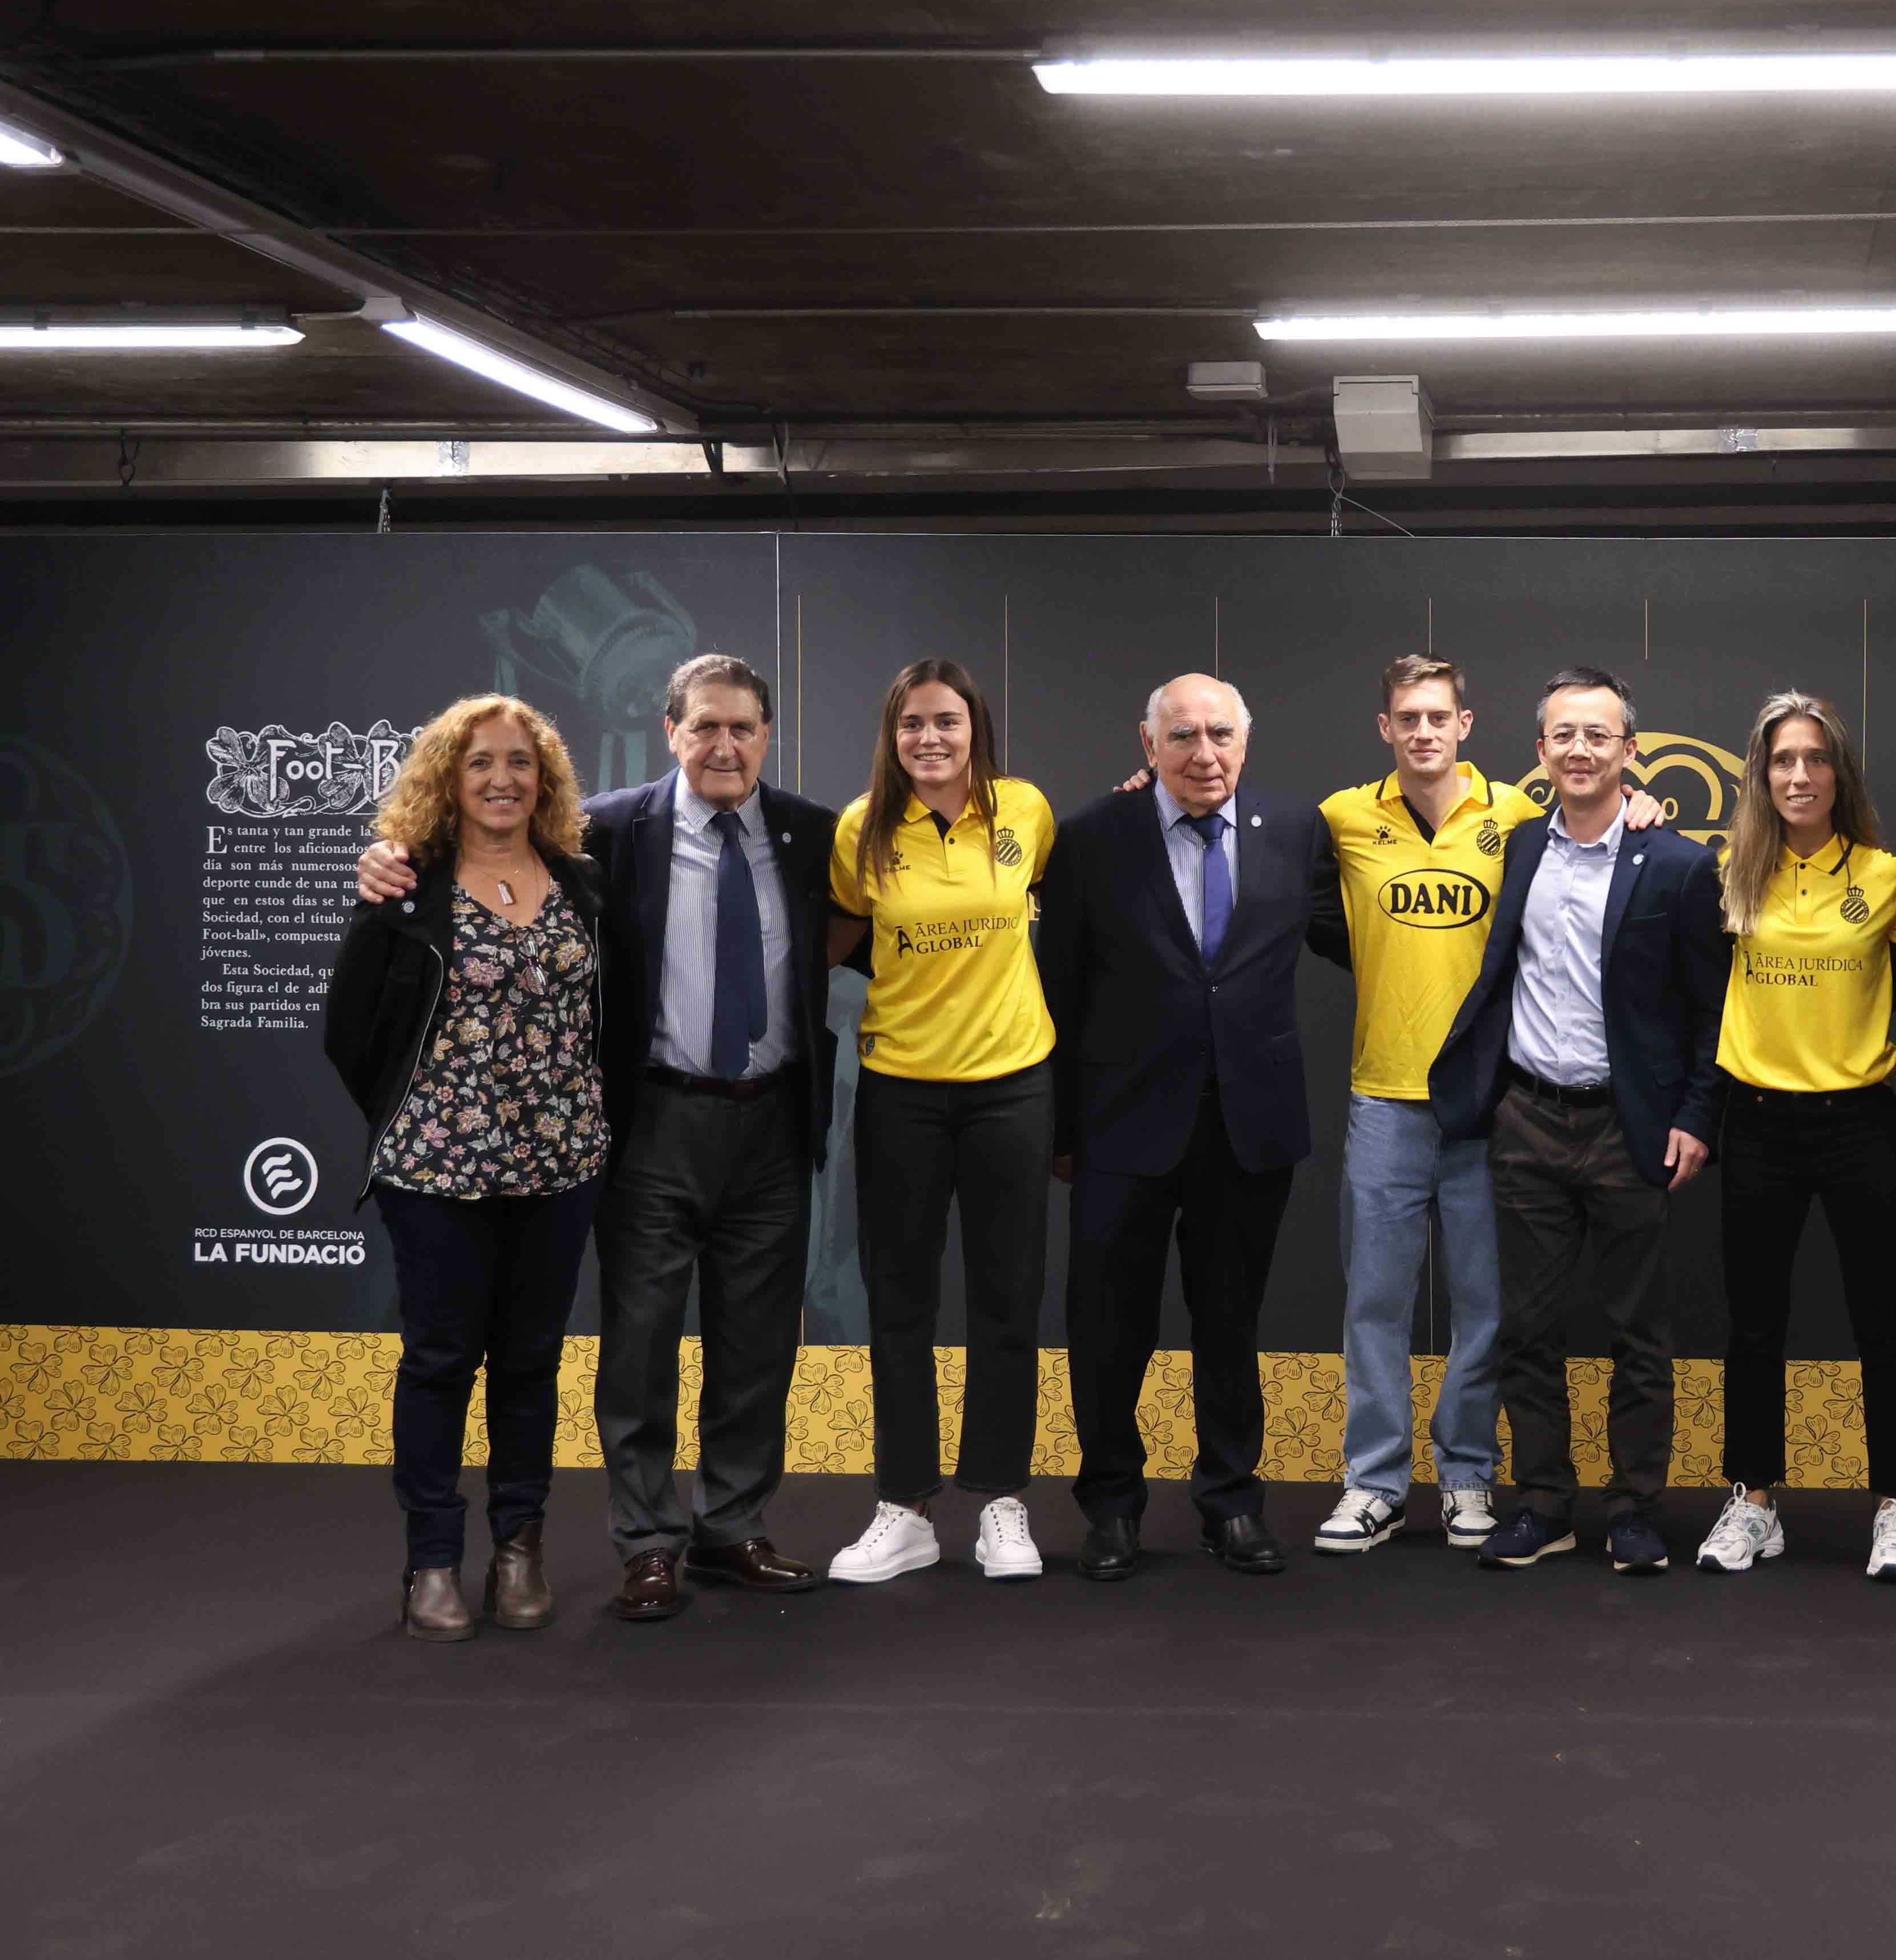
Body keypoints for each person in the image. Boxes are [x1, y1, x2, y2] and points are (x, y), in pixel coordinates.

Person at [357, 654, 841, 1622]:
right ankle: (649, 1543)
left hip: (772, 1122)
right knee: (640, 1346)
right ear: (670, 731)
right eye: (704, 725)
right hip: (653, 1118)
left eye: (743, 727)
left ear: (768, 735)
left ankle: (731, 1525)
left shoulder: (811, 833)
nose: (724, 744)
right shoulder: (608, 831)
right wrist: (380, 860)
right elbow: (479, 847)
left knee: (755, 1345)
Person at [324, 694, 608, 1642]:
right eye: (480, 762)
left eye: (520, 763)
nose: (502, 779)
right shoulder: (406, 889)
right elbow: (350, 1030)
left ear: (546, 779)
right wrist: (421, 1115)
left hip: (560, 1164)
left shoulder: (584, 885)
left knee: (530, 1363)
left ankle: (519, 1550)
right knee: (442, 1360)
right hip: (438, 1170)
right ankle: (434, 1559)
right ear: (450, 778)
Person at [1430, 666, 1727, 1574]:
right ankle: (1545, 1503)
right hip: (1526, 1117)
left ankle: (1635, 1507)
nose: (1582, 749)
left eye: (1600, 735)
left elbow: (1714, 1007)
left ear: (1631, 752)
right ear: (1540, 752)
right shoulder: (1520, 848)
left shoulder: (1676, 861)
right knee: (1528, 1327)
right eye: (1564, 734)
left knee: (1640, 1332)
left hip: (1629, 1126)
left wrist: (1696, 1115)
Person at [1038, 673, 1316, 1581]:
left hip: (1249, 1126)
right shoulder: (1089, 839)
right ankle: (1112, 1507)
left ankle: (1231, 1503)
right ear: (1148, 743)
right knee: (1109, 1326)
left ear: (1247, 738)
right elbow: (1060, 987)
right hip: (1122, 1127)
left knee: (1231, 1323)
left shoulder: (1299, 833)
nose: (1206, 753)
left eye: (1222, 734)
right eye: (1185, 735)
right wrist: (1063, 1131)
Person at [821, 659, 1059, 1588]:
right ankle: (905, 1507)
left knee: (1007, 1299)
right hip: (901, 1091)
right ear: (893, 734)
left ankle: (1001, 1499)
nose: (930, 738)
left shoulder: (1026, 813)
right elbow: (838, 936)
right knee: (901, 1306)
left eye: (947, 722)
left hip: (1012, 1086)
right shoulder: (862, 829)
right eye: (913, 723)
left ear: (977, 730)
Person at [1304, 655, 1546, 1558]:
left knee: (1484, 1304)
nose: (1423, 731)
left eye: (1438, 715)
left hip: (1488, 1101)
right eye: (1407, 717)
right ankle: (1373, 1482)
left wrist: (1640, 803)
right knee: (1375, 1302)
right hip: (1384, 1097)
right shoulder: (1342, 817)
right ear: (1385, 728)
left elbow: (1602, 839)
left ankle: (1470, 1475)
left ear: (1466, 723)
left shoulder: (1518, 814)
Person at [1692, 692, 1896, 1583]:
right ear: (1760, 775)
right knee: (1755, 1325)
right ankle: (1754, 1502)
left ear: (1839, 773)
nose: (1799, 775)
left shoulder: (1886, 875)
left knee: (1885, 1322)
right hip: (1757, 1122)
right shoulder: (1728, 875)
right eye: (1782, 760)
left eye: (1815, 759)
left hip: (1858, 1121)